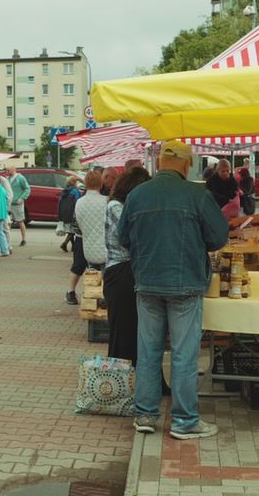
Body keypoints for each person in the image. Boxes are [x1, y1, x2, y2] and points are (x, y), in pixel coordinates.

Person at [120, 140, 228, 440]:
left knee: (149, 350)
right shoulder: (197, 194)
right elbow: (218, 237)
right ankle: (184, 421)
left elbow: (123, 238)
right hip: (186, 283)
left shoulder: (137, 194)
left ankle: (145, 414)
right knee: (183, 353)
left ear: (159, 163)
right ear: (185, 164)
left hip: (147, 282)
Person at [104, 167, 152, 363]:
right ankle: (121, 382)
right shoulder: (116, 207)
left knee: (136, 330)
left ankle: (137, 380)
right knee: (124, 331)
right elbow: (130, 239)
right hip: (121, 272)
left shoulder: (121, 206)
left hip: (129, 272)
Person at [67, 170, 109, 305]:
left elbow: (76, 225)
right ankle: (103, 298)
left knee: (83, 269)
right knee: (105, 273)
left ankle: (83, 297)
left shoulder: (79, 202)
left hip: (86, 244)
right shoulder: (107, 201)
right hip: (105, 246)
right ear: (101, 183)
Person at [5, 165, 31, 246]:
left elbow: (27, 189)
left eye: (8, 170)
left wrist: (22, 198)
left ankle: (24, 239)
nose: (7, 172)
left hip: (17, 203)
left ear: (13, 170)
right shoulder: (7, 179)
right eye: (7, 170)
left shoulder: (20, 178)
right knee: (8, 222)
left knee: (20, 221)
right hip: (9, 203)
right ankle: (7, 240)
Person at [57, 176, 82, 252]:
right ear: (74, 182)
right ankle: (64, 244)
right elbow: (78, 201)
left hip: (64, 213)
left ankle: (73, 246)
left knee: (70, 229)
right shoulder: (75, 191)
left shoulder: (65, 190)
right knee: (72, 231)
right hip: (72, 212)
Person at [0, 170, 14, 252]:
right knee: (1, 229)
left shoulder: (2, 181)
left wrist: (7, 208)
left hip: (2, 210)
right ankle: (4, 247)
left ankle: (7, 247)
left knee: (4, 229)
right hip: (0, 210)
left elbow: (9, 195)